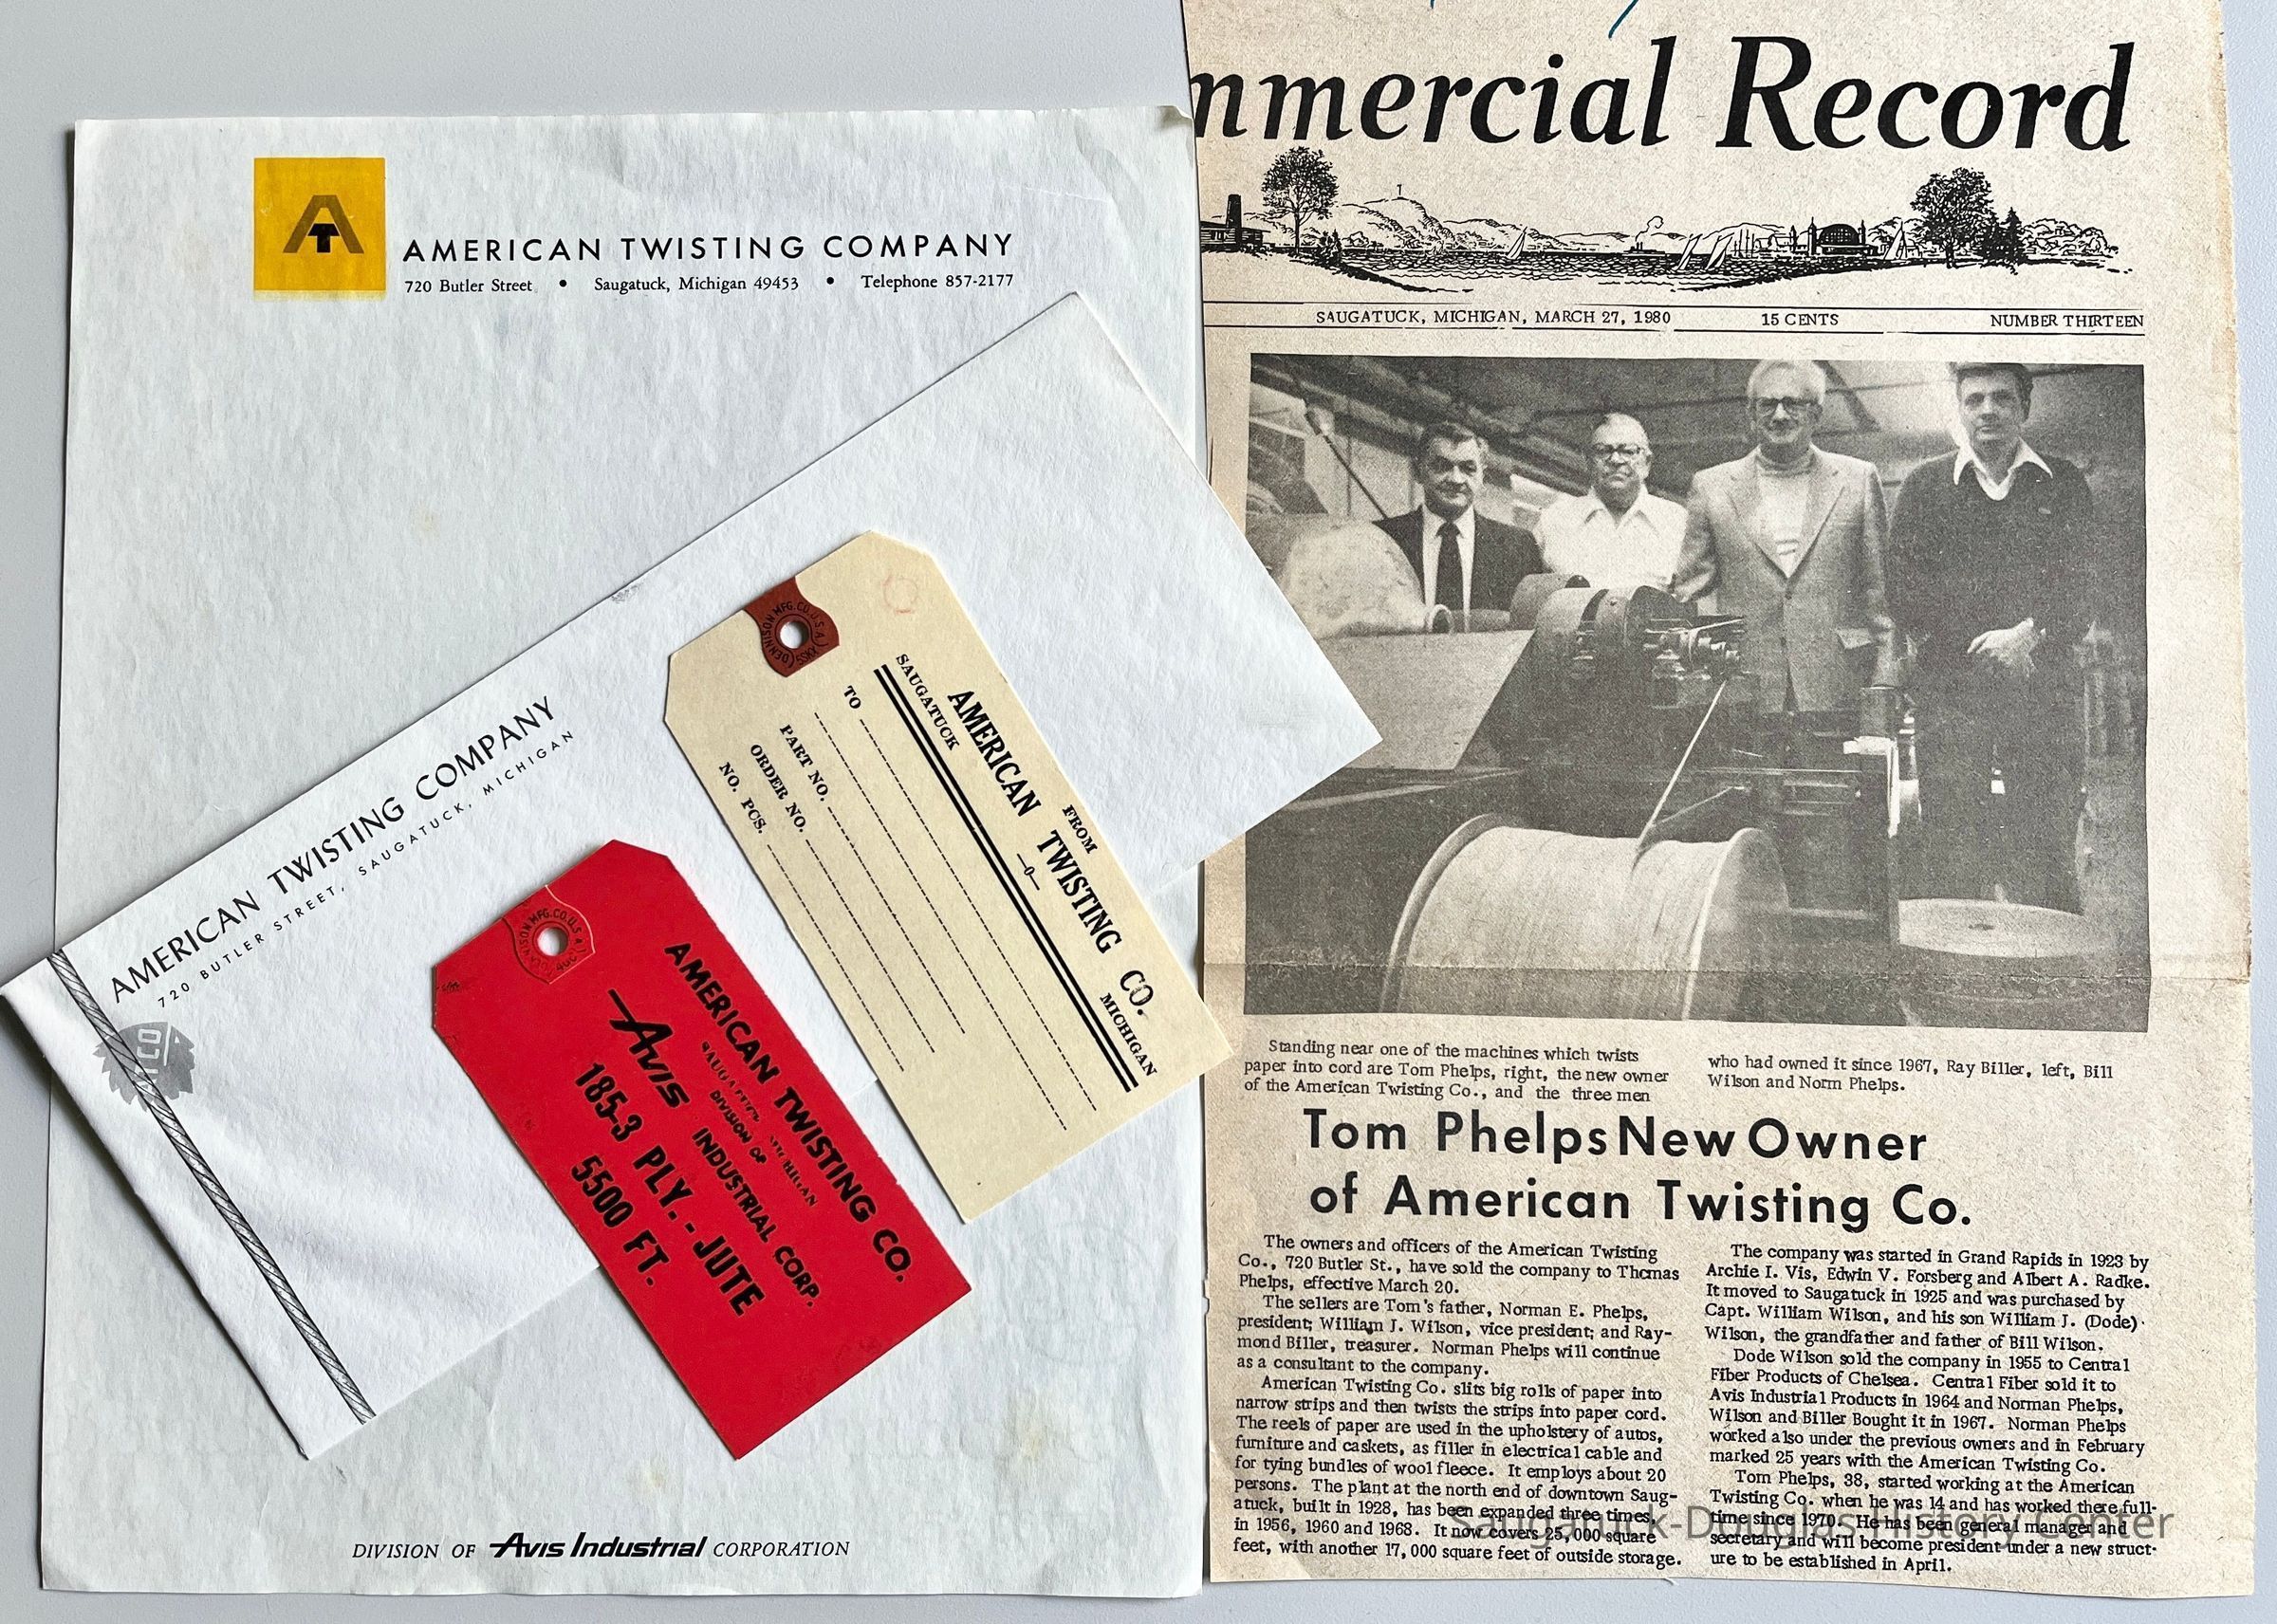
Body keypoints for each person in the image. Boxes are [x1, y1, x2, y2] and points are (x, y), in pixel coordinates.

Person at [1888, 362, 2093, 912]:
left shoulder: (2063, 483)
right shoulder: (1925, 486)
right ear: (1959, 409)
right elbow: (1904, 592)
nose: (1987, 410)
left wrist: (2029, 634)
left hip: (2043, 690)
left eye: (2002, 398)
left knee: (2045, 842)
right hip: (1952, 697)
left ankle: (2049, 954)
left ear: (2024, 407)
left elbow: (2084, 584)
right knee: (1953, 842)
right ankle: (1961, 958)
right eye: (1974, 399)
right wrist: (1988, 644)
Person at [1670, 360, 1899, 719]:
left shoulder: (1858, 479)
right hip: (1744, 690)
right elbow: (1689, 596)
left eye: (1792, 403)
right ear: (1751, 414)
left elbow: (1881, 597)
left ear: (1816, 414)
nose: (1779, 415)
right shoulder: (1711, 486)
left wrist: (1885, 683)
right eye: (1767, 404)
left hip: (1840, 687)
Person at [1376, 421, 1544, 627]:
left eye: (1468, 469)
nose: (1456, 479)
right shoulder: (1381, 539)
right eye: (1442, 466)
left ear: (1483, 476)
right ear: (1417, 471)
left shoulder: (1519, 545)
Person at [1534, 413, 1689, 590]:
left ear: (1647, 463)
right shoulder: (1553, 520)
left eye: (1628, 451)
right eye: (1603, 451)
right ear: (1588, 462)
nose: (1615, 460)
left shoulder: (1677, 522)